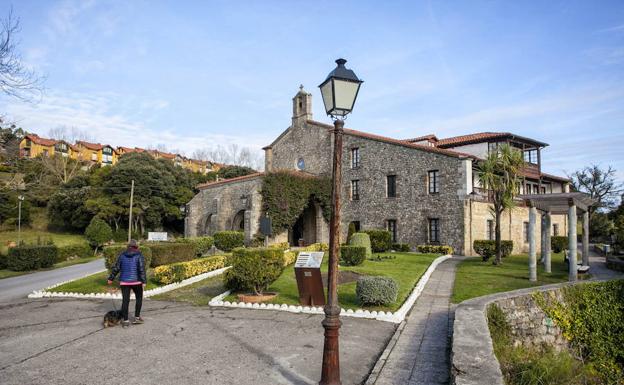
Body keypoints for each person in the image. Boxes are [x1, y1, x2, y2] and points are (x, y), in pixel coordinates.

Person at [107, 239, 146, 327]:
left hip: (124, 282)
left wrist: (111, 278)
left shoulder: (122, 255)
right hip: (137, 281)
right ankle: (136, 318)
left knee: (125, 300)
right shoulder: (139, 255)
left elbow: (116, 268)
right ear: (136, 246)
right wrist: (144, 281)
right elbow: (141, 269)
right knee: (139, 298)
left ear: (128, 246)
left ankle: (125, 321)